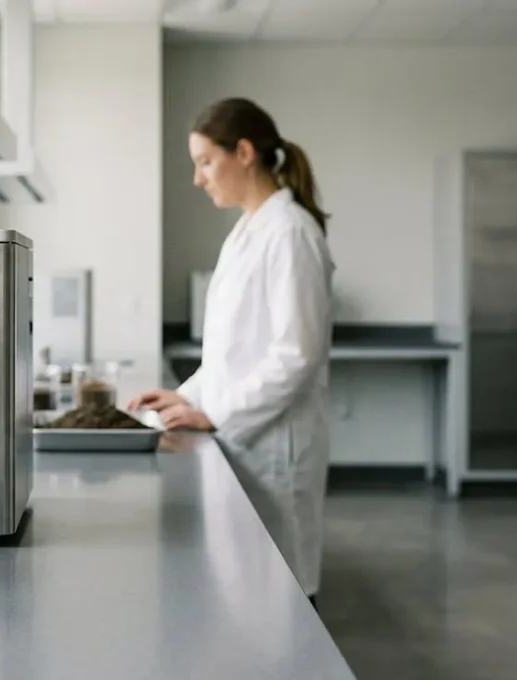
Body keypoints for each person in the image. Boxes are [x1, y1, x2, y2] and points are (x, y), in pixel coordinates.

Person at [129, 97, 334, 607]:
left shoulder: (289, 233)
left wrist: (213, 412)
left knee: (279, 605)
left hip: (273, 451)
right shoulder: (248, 231)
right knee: (247, 600)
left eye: (205, 161)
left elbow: (296, 355)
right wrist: (182, 396)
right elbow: (230, 352)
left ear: (243, 152)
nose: (198, 178)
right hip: (246, 443)